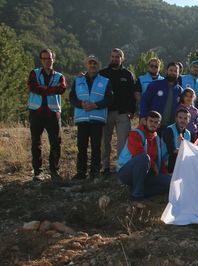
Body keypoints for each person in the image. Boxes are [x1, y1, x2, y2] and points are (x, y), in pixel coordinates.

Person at [70, 55, 114, 180]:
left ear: (98, 66)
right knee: (81, 146)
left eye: (95, 63)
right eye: (90, 63)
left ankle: (94, 172)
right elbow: (72, 98)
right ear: (86, 65)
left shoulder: (105, 81)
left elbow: (110, 99)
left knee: (96, 147)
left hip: (97, 118)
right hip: (82, 118)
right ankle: (81, 172)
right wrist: (80, 104)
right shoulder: (78, 80)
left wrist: (96, 105)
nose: (92, 65)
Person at [27, 48, 67, 181]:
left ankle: (54, 171)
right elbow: (32, 87)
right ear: (41, 60)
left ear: (53, 59)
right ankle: (37, 171)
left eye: (49, 58)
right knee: (36, 143)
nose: (47, 61)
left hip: (52, 113)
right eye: (44, 58)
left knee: (55, 142)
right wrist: (50, 90)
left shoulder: (59, 76)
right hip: (36, 113)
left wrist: (44, 88)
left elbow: (61, 89)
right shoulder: (34, 73)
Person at [117, 111, 170, 200]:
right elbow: (138, 153)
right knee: (144, 158)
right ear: (145, 121)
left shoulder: (157, 138)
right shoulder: (135, 133)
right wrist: (154, 166)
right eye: (151, 121)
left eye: (156, 122)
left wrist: (164, 174)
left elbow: (160, 160)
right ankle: (136, 196)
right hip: (127, 172)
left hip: (146, 174)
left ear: (159, 125)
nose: (153, 124)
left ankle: (137, 190)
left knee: (170, 182)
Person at [99, 48, 136, 177]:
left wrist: (131, 111)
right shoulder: (102, 73)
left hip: (123, 113)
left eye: (117, 57)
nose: (115, 59)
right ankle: (105, 166)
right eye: (113, 56)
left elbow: (133, 94)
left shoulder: (127, 74)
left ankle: (121, 166)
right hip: (106, 112)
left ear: (122, 59)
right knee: (105, 141)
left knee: (123, 142)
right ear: (110, 57)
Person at [139, 62, 183, 133]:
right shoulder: (155, 85)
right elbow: (144, 101)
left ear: (178, 74)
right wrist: (143, 116)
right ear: (166, 71)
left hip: (170, 126)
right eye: (171, 70)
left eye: (175, 71)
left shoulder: (180, 90)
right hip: (153, 124)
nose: (173, 72)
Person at [163, 108, 192, 173]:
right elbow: (171, 150)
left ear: (189, 120)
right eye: (180, 118)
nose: (182, 120)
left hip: (179, 161)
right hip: (166, 162)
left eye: (185, 118)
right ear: (176, 118)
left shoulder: (188, 133)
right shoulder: (169, 130)